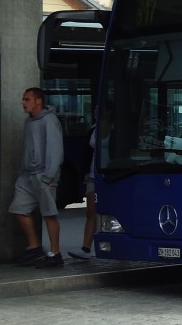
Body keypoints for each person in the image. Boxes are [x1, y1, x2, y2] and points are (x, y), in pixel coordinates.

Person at [9, 87, 65, 267]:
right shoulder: (30, 122)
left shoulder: (49, 121)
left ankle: (55, 254)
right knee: (18, 209)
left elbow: (55, 150)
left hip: (43, 175)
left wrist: (48, 176)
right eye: (23, 99)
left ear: (38, 101)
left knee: (49, 214)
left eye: (27, 99)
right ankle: (35, 248)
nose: (23, 103)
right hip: (28, 175)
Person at [70, 103, 110, 261]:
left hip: (110, 175)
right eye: (95, 109)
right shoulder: (94, 129)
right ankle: (86, 248)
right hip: (94, 175)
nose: (95, 111)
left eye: (99, 108)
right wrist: (85, 173)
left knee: (106, 211)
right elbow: (87, 154)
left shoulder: (117, 128)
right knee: (91, 211)